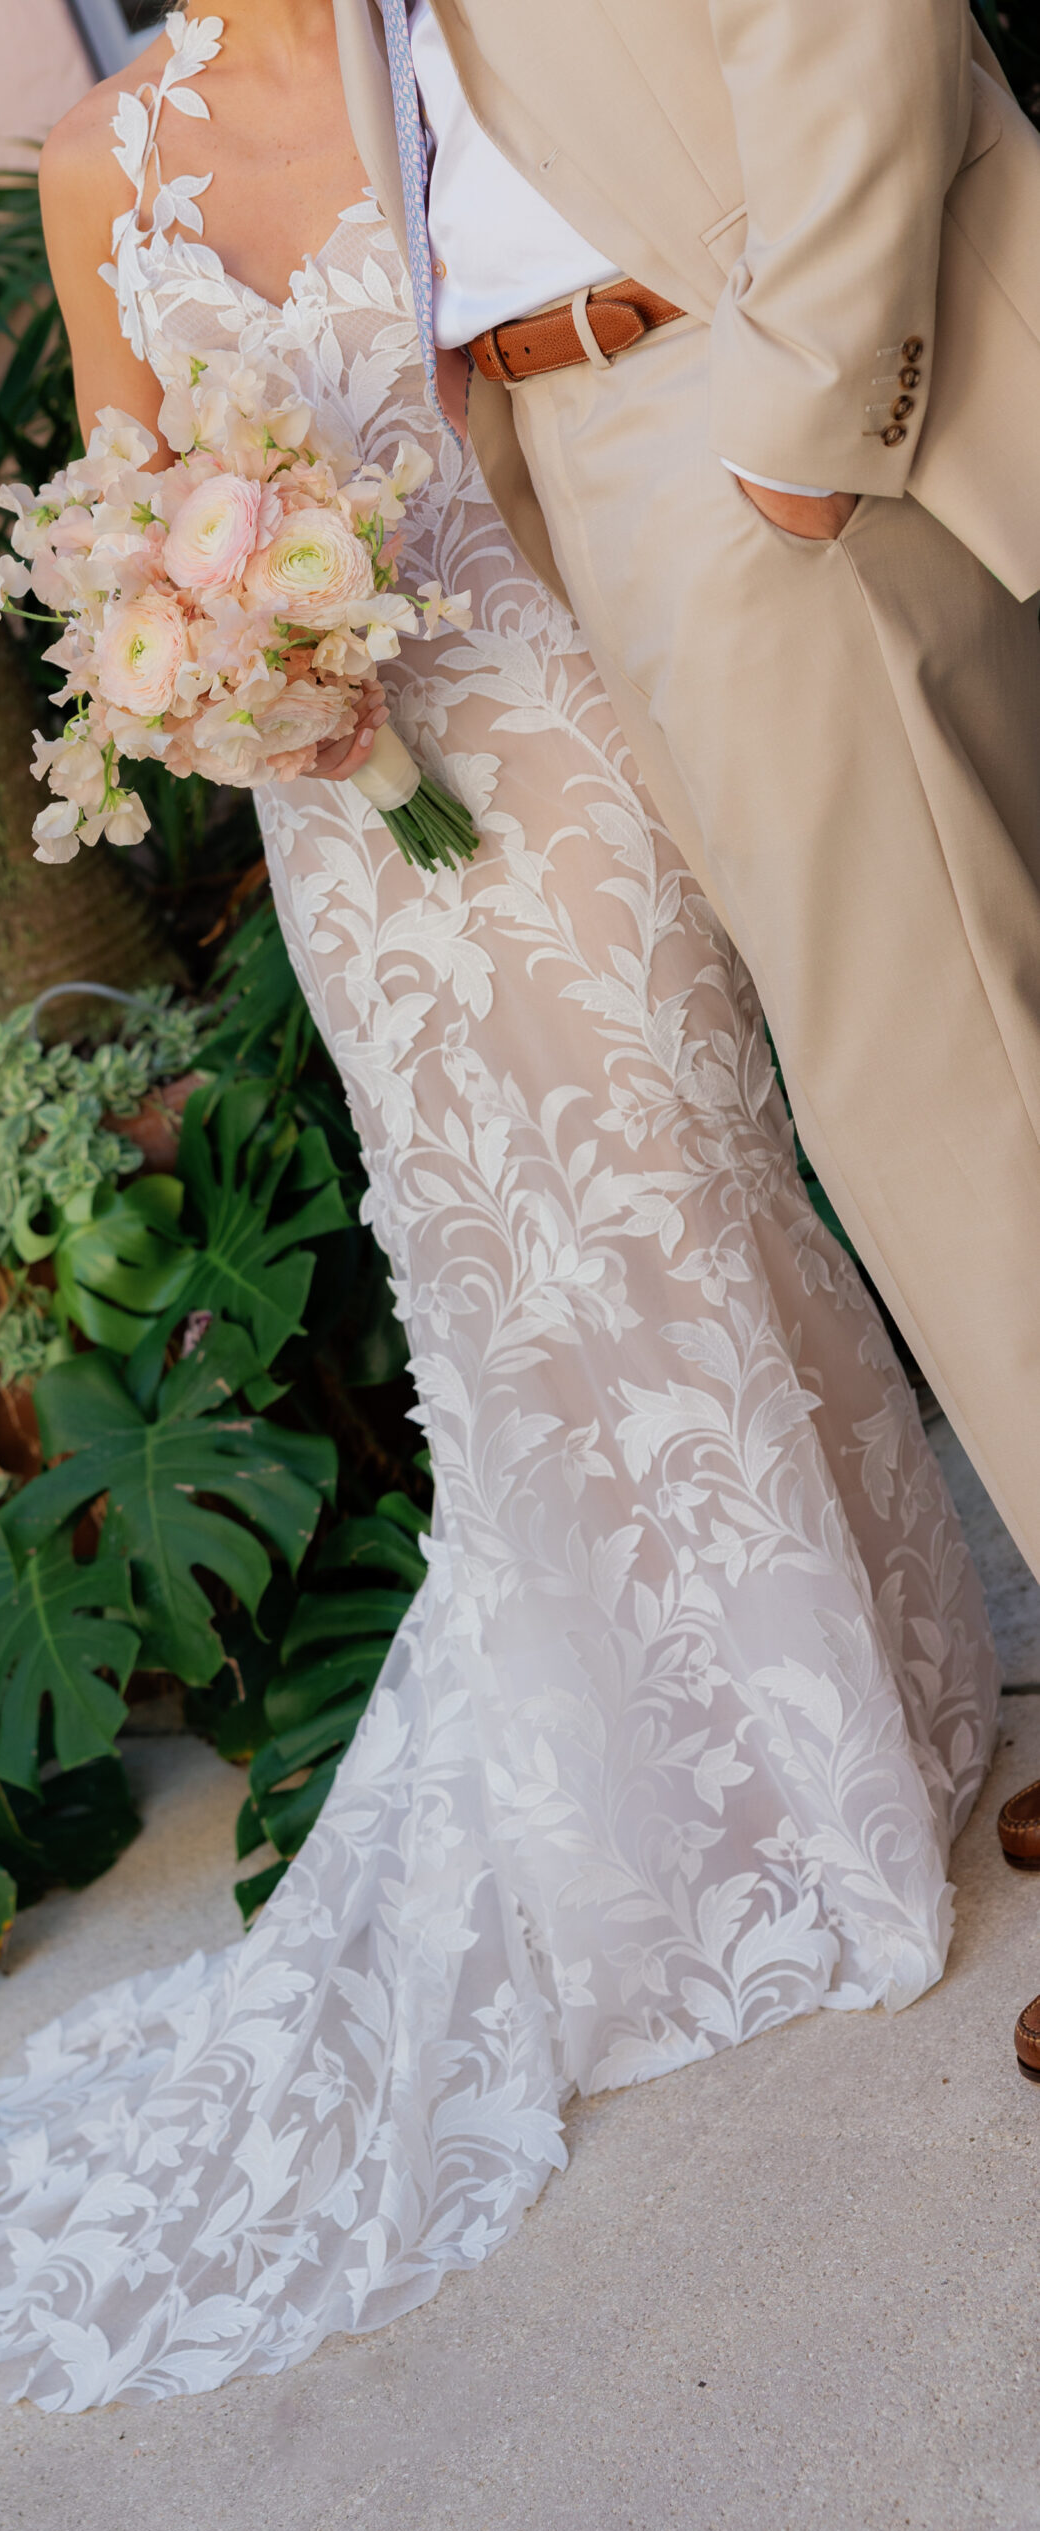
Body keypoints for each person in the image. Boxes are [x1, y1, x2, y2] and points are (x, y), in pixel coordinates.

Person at [0, 3, 999, 2410]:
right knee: (557, 1272)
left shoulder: (420, 46)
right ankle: (717, 1781)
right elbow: (120, 528)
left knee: (741, 1178)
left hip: (580, 683)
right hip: (367, 804)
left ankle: (855, 1714)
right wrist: (232, 680)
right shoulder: (103, 161)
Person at [330, 0, 1040, 2117]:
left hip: (732, 404)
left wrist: (797, 424)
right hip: (587, 450)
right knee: (924, 1090)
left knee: (951, 1101)